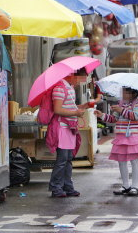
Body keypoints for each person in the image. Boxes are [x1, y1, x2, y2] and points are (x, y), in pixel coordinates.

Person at [94, 87, 138, 196]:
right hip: (121, 136)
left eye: (124, 92)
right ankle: (125, 185)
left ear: (132, 93)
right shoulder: (121, 103)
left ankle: (135, 186)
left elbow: (135, 116)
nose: (122, 94)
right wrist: (102, 115)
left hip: (133, 136)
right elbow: (114, 119)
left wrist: (121, 110)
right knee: (121, 161)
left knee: (134, 161)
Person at [47, 68, 89, 198]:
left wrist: (82, 107)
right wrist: (76, 113)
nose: (79, 83)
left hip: (69, 128)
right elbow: (58, 109)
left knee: (68, 159)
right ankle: (56, 188)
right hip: (61, 128)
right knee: (62, 159)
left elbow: (69, 107)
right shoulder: (60, 88)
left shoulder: (69, 88)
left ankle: (67, 186)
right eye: (79, 80)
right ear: (72, 75)